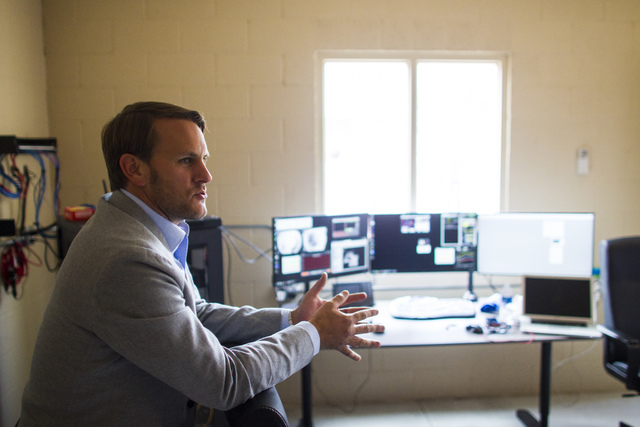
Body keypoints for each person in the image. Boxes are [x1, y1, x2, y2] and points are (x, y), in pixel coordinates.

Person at [19, 102, 384, 425]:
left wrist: (291, 319)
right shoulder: (127, 258)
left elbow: (196, 313)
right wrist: (314, 334)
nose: (205, 175)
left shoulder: (138, 228)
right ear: (134, 168)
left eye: (203, 159)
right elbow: (222, 383)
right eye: (185, 160)